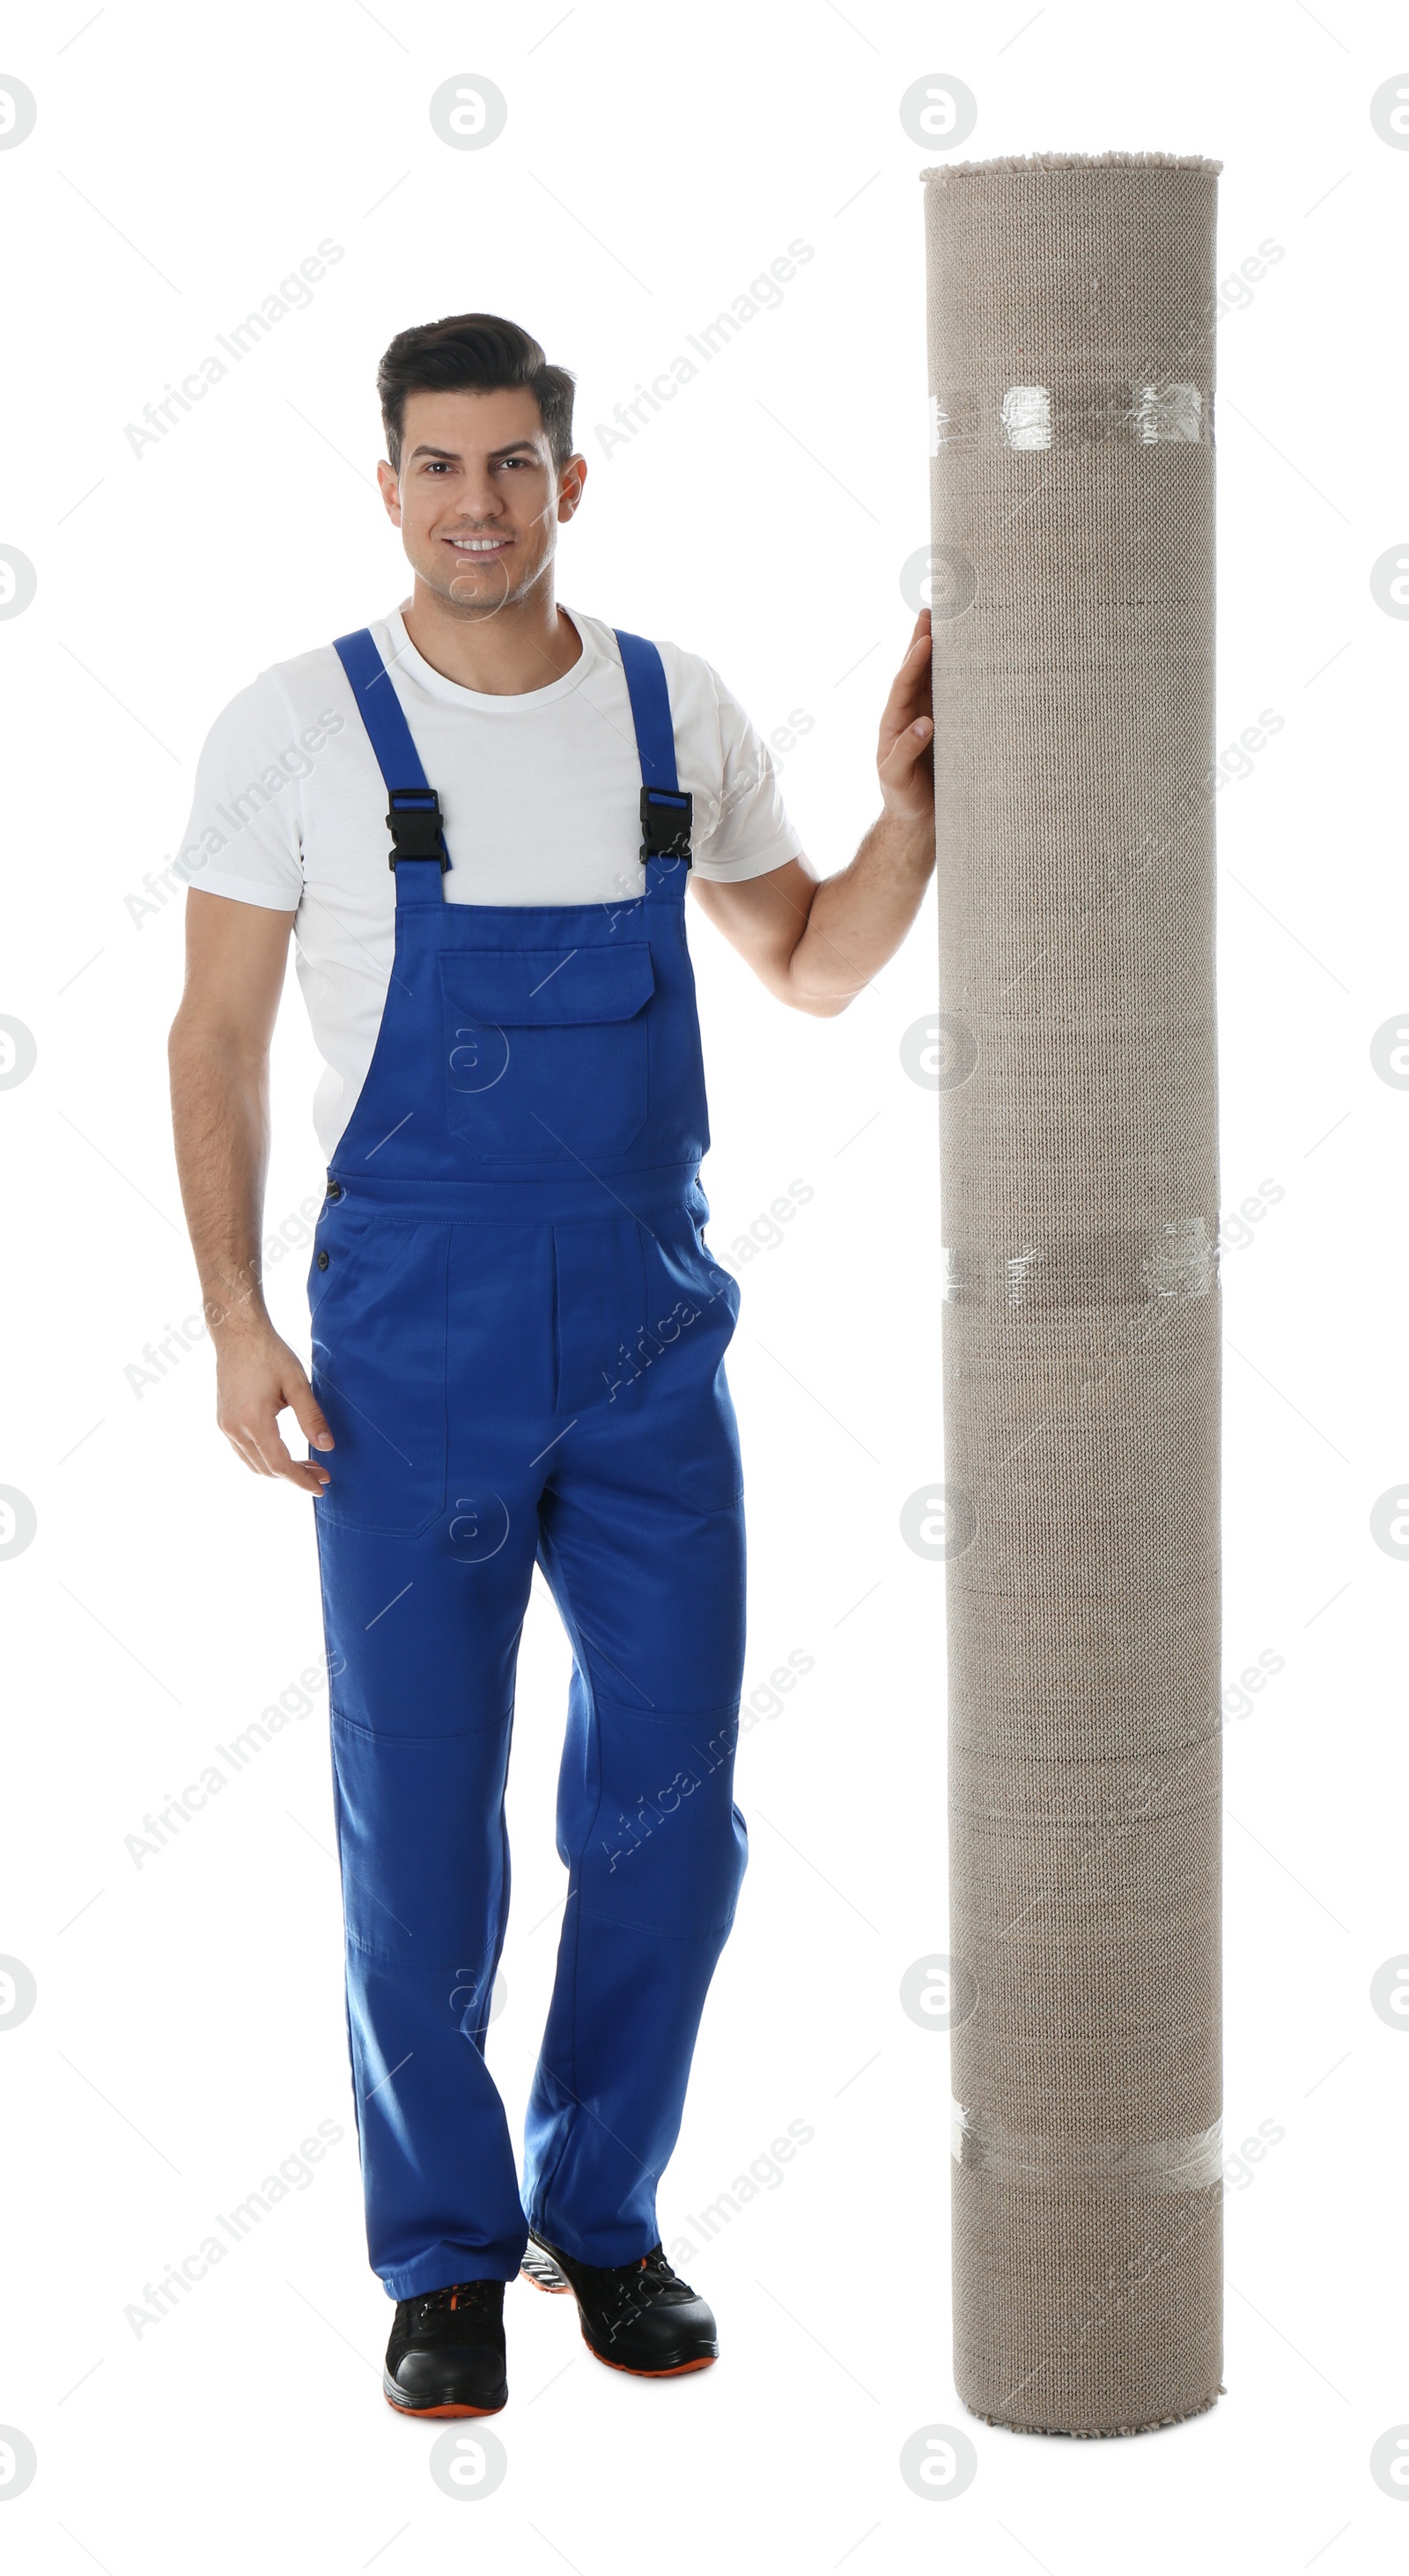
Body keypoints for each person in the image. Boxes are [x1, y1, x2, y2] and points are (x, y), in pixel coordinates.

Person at [168, 312, 935, 2418]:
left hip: (644, 1354)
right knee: (416, 1830)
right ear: (387, 482)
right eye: (437, 465)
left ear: (570, 480)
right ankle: (439, 2251)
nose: (477, 503)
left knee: (670, 1816)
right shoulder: (295, 729)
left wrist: (909, 814)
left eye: (514, 465)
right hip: (402, 1356)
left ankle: (601, 2213)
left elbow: (805, 961)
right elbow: (214, 1042)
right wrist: (236, 1318)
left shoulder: (671, 708)